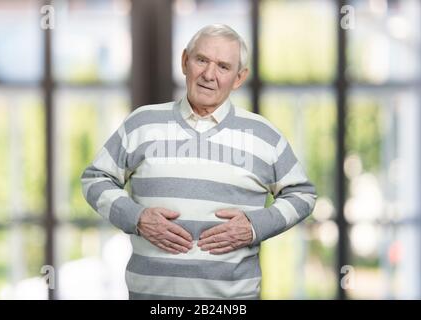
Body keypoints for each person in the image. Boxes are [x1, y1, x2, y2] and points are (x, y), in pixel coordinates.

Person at [81, 24, 317, 300]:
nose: (209, 74)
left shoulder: (263, 135)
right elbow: (95, 179)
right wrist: (137, 218)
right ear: (184, 61)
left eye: (223, 67)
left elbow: (303, 195)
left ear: (239, 78)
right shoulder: (141, 123)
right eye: (201, 60)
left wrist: (255, 226)